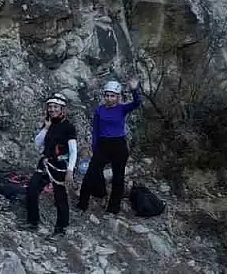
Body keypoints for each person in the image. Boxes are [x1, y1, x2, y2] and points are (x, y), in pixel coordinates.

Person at [79, 78, 142, 215]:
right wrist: (94, 147)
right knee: (91, 173)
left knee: (118, 177)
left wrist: (134, 89)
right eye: (107, 95)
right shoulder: (99, 110)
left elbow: (137, 103)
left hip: (118, 145)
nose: (109, 98)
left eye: (112, 95)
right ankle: (83, 203)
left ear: (117, 97)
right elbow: (95, 130)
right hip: (103, 144)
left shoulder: (122, 108)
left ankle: (113, 208)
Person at [19, 93, 78, 237]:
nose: (52, 109)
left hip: (60, 165)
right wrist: (45, 128)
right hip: (46, 162)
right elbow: (37, 144)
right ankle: (33, 221)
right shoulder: (48, 124)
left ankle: (60, 229)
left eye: (55, 107)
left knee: (60, 197)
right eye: (50, 107)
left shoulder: (68, 127)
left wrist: (70, 170)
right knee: (32, 189)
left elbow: (73, 150)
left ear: (62, 109)